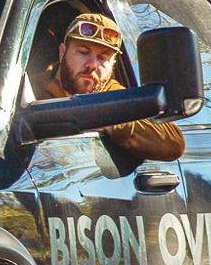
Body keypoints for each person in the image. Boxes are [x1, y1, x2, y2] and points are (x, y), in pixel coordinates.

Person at [35, 13, 185, 160]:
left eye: (102, 58)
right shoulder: (25, 88)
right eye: (83, 52)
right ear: (62, 52)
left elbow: (173, 142)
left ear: (113, 65)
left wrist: (104, 116)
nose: (92, 65)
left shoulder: (112, 94)